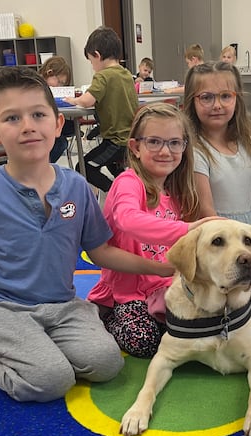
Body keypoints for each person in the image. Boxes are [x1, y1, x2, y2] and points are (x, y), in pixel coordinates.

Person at [0, 66, 174, 403]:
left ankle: (30, 345)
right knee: (51, 380)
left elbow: (100, 251)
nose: (28, 126)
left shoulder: (76, 186)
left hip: (63, 306)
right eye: (12, 119)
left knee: (106, 364)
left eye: (38, 114)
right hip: (5, 307)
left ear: (58, 123)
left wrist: (161, 268)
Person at [88, 102, 218, 358]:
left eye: (174, 143)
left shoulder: (178, 190)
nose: (165, 151)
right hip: (126, 294)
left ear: (184, 147)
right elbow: (128, 219)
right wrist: (187, 229)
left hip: (167, 287)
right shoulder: (129, 182)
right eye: (154, 142)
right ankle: (104, 317)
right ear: (136, 147)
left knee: (206, 325)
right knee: (144, 340)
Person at [183, 61, 251, 257]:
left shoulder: (247, 142)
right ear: (192, 101)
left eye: (225, 96)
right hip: (220, 239)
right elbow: (207, 211)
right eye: (206, 97)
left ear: (237, 99)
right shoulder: (196, 150)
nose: (217, 105)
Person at [64, 27, 138, 193]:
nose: (93, 67)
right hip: (129, 139)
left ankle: (115, 194)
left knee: (84, 167)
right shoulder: (126, 74)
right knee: (115, 168)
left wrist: (73, 100)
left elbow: (87, 101)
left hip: (115, 141)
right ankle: (127, 191)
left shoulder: (103, 75)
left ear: (97, 55)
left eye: (91, 62)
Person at [39, 55, 76, 163]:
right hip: (38, 124)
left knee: (73, 127)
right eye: (59, 82)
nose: (60, 86)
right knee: (61, 142)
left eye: (63, 84)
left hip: (48, 120)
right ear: (49, 72)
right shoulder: (36, 85)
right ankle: (42, 166)